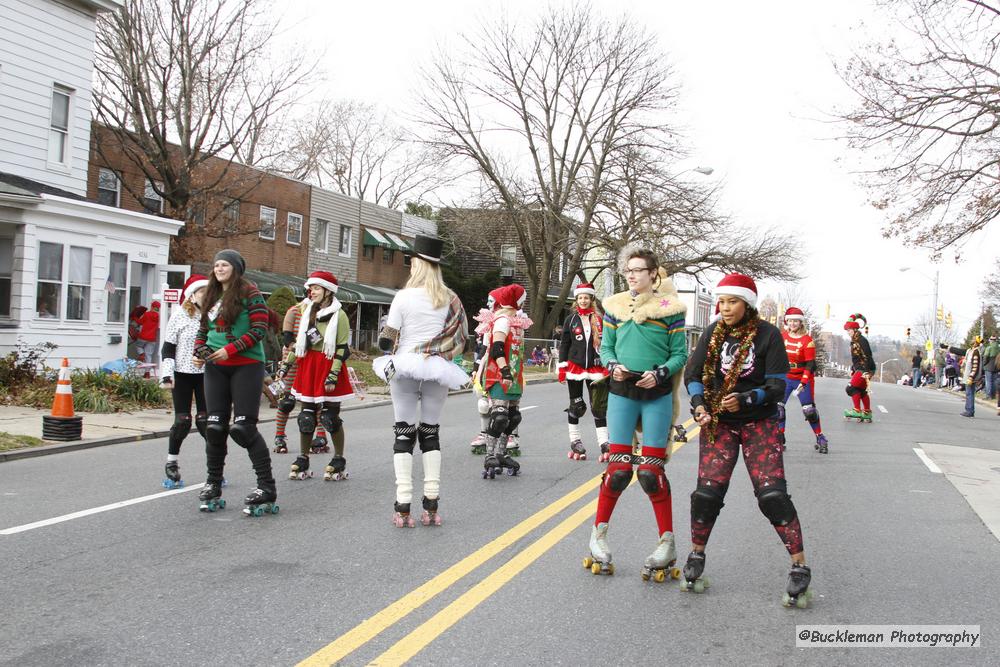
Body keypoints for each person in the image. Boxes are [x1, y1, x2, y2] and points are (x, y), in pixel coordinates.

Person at [683, 273, 813, 606]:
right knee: (706, 494)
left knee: (772, 495)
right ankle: (697, 554)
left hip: (759, 422)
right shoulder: (712, 334)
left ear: (747, 303)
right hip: (720, 425)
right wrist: (699, 405)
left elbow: (776, 387)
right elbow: (693, 374)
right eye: (722, 302)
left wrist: (747, 398)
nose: (725, 308)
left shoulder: (768, 335)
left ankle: (799, 566)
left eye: (732, 302)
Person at [585, 246, 687, 582]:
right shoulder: (613, 306)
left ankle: (667, 543)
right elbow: (607, 346)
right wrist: (612, 365)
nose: (631, 275)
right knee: (617, 470)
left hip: (655, 394)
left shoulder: (670, 309)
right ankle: (598, 537)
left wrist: (659, 374)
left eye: (639, 270)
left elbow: (679, 354)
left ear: (653, 273)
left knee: (650, 473)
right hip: (622, 393)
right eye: (628, 270)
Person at [374, 235, 469, 527]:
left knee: (403, 432)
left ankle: (403, 507)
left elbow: (387, 339)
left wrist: (385, 347)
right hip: (437, 367)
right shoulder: (449, 298)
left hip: (404, 365)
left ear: (416, 264)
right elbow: (461, 336)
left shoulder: (403, 297)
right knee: (431, 432)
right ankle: (431, 506)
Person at [193, 249, 278, 516]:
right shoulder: (211, 294)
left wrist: (231, 349)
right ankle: (213, 483)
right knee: (215, 427)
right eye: (216, 265)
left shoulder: (249, 293)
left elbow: (259, 330)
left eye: (225, 265)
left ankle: (266, 486)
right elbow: (203, 331)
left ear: (236, 269)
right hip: (216, 367)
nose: (219, 269)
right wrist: (200, 353)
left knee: (243, 428)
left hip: (246, 365)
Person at [282, 270, 353, 482]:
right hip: (309, 365)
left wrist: (333, 375)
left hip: (329, 365)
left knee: (330, 418)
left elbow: (342, 348)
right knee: (306, 417)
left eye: (316, 288)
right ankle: (303, 458)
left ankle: (338, 459)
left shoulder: (339, 315)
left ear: (328, 291)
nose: (311, 292)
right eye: (310, 288)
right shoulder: (307, 312)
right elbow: (301, 343)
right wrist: (287, 365)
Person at [473, 283, 532, 479]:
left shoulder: (516, 321)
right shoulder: (503, 320)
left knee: (513, 417)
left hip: (514, 376)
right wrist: (504, 370)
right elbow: (497, 348)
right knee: (499, 417)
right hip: (498, 374)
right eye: (523, 298)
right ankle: (490, 455)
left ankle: (501, 453)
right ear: (517, 300)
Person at [159, 274, 209, 488]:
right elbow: (168, 348)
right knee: (182, 421)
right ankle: (172, 463)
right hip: (182, 373)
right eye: (201, 292)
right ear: (192, 295)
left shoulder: (213, 316)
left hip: (206, 374)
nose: (206, 296)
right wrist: (167, 374)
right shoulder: (179, 315)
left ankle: (215, 467)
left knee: (207, 422)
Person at [557, 282, 610, 461]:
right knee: (577, 406)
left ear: (591, 298)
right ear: (576, 299)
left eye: (586, 297)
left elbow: (607, 344)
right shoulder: (570, 320)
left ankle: (604, 443)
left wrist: (608, 365)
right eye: (580, 297)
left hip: (596, 367)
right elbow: (564, 344)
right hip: (575, 368)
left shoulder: (599, 319)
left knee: (599, 407)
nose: (583, 300)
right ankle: (575, 441)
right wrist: (562, 368)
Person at [271, 302, 328, 454]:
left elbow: (323, 339)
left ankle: (321, 435)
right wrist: (300, 347)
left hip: (314, 359)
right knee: (286, 401)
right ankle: (279, 436)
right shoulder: (294, 312)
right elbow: (287, 339)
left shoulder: (324, 313)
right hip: (293, 359)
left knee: (316, 400)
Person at [778, 307, 828, 453]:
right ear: (787, 321)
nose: (793, 323)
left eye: (796, 321)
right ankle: (780, 437)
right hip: (786, 376)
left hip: (802, 378)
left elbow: (811, 364)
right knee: (778, 409)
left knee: (809, 411)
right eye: (790, 321)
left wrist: (804, 381)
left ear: (801, 323)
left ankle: (820, 437)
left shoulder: (807, 340)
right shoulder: (782, 337)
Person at [843, 313, 876, 422]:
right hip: (861, 368)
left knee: (851, 388)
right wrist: (853, 370)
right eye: (847, 330)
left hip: (865, 368)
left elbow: (867, 356)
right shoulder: (854, 340)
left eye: (849, 330)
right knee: (860, 390)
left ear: (855, 329)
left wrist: (866, 371)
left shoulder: (861, 340)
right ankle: (867, 412)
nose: (848, 332)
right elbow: (856, 359)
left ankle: (857, 410)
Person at [944, 338, 983, 417]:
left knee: (970, 393)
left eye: (973, 340)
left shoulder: (976, 352)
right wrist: (949, 347)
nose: (971, 341)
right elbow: (960, 351)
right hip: (968, 376)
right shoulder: (970, 351)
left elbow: (975, 366)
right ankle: (968, 410)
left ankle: (969, 411)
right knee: (969, 393)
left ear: (976, 343)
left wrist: (971, 377)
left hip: (971, 377)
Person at [983, 335, 998, 400]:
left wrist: (984, 364)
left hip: (989, 366)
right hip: (996, 366)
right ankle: (993, 395)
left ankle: (988, 396)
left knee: (988, 381)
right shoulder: (998, 347)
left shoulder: (989, 348)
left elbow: (985, 357)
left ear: (991, 340)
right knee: (994, 381)